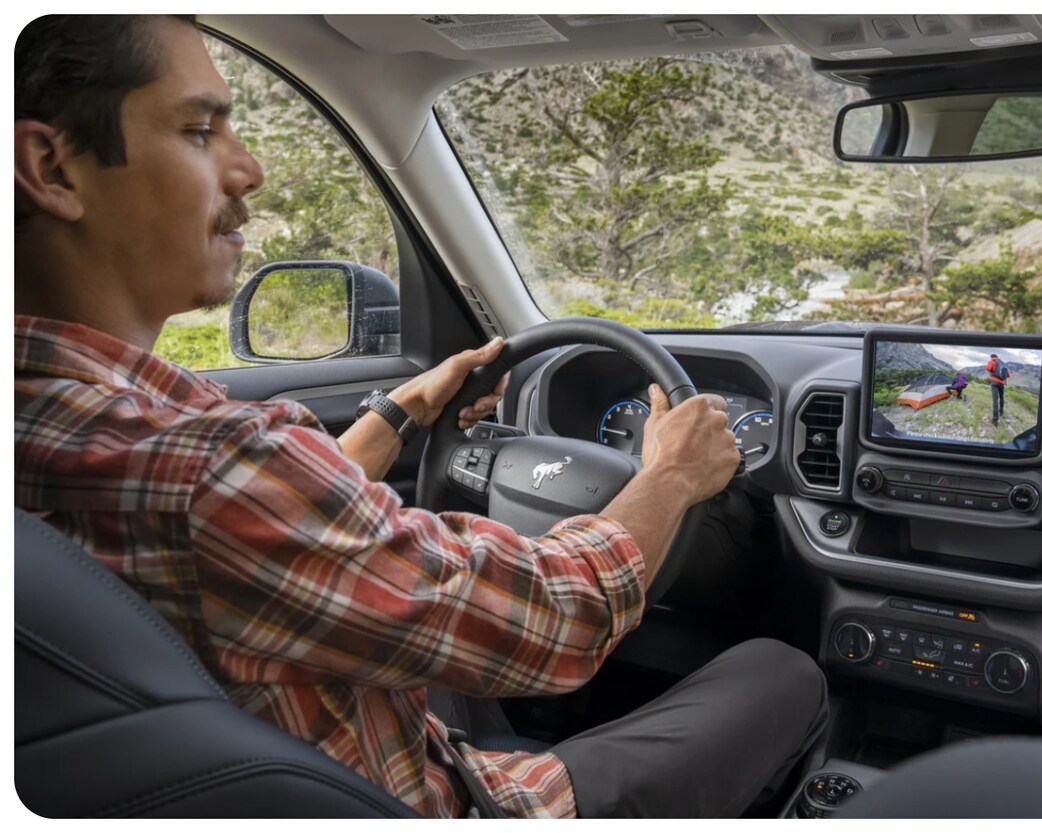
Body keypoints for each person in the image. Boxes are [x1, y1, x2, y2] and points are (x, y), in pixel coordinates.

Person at [15, 16, 826, 818]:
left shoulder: (72, 427)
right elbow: (557, 621)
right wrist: (671, 476)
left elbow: (277, 532)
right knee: (784, 671)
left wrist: (400, 412)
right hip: (436, 802)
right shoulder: (206, 471)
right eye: (199, 130)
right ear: (53, 168)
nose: (250, 169)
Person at [985, 353, 1010, 425]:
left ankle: (995, 420)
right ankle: (1001, 412)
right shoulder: (1003, 363)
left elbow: (988, 368)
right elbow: (1008, 375)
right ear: (997, 356)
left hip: (994, 383)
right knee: (1002, 398)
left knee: (995, 400)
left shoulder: (992, 361)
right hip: (1002, 383)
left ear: (991, 357)